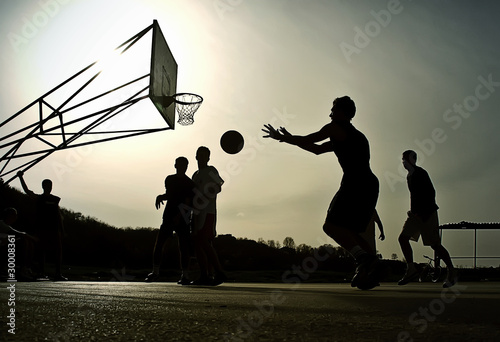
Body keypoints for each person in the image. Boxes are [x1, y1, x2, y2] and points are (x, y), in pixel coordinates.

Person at [263, 96, 381, 290]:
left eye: (333, 109)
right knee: (353, 231)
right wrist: (290, 138)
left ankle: (364, 260)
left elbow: (310, 139)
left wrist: (283, 137)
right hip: (370, 184)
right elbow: (316, 149)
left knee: (330, 226)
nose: (330, 113)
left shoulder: (333, 128)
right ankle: (370, 269)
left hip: (355, 183)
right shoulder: (354, 135)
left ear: (343, 112)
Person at [398, 150, 457, 288]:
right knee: (402, 238)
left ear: (412, 159)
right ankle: (411, 269)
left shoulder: (421, 173)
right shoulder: (409, 177)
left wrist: (424, 211)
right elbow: (414, 196)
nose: (403, 162)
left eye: (405, 158)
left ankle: (452, 271)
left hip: (427, 213)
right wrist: (413, 210)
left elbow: (431, 192)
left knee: (435, 244)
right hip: (415, 214)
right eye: (402, 159)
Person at [145, 157, 196, 285]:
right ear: (175, 165)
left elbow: (188, 203)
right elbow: (170, 195)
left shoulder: (189, 184)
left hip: (183, 217)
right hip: (168, 215)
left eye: (184, 165)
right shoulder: (170, 179)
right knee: (160, 243)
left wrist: (179, 216)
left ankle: (185, 275)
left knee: (183, 247)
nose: (182, 166)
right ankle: (155, 272)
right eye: (180, 164)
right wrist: (161, 196)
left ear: (187, 167)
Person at [17, 171, 67, 281]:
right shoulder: (39, 198)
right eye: (47, 185)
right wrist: (21, 177)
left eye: (50, 186)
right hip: (42, 228)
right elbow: (27, 191)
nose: (49, 187)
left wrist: (62, 230)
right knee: (42, 250)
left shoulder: (55, 199)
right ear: (43, 186)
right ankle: (41, 272)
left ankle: (58, 273)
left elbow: (59, 215)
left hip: (55, 228)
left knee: (58, 250)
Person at [190, 146, 227, 286]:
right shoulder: (195, 175)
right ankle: (205, 275)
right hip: (196, 212)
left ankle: (219, 272)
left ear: (208, 158)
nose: (202, 157)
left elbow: (219, 187)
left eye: (205, 155)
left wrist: (205, 196)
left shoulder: (211, 170)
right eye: (199, 155)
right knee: (198, 244)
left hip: (208, 211)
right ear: (196, 156)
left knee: (204, 241)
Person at [0, 207, 37, 280]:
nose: (16, 217)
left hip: (5, 245)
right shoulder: (1, 223)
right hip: (3, 245)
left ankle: (26, 268)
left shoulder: (8, 226)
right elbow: (17, 233)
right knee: (24, 241)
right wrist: (33, 238)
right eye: (14, 215)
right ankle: (22, 269)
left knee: (26, 242)